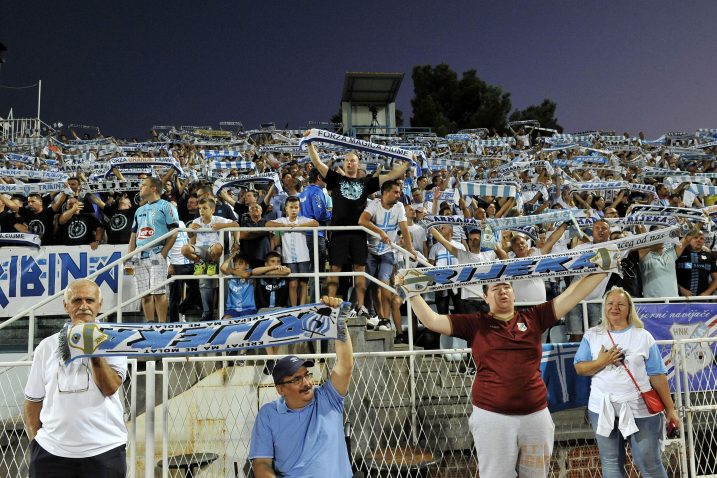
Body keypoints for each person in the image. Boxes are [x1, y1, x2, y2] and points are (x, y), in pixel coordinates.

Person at [402, 270, 610, 477]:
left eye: (507, 287)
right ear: (485, 296)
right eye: (496, 288)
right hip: (493, 417)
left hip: (536, 416)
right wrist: (410, 289)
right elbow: (431, 320)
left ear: (514, 293)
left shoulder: (534, 317)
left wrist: (604, 269)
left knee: (537, 475)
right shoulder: (475, 323)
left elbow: (573, 295)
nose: (503, 291)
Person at [23, 279, 127, 478]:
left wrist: (92, 349)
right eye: (76, 300)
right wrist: (36, 443)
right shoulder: (47, 346)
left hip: (104, 450)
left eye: (89, 300)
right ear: (66, 305)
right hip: (50, 454)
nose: (83, 306)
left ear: (99, 304)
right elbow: (32, 401)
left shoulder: (114, 342)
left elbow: (110, 388)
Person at [574, 287, 680, 477]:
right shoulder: (592, 335)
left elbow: (657, 376)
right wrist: (602, 361)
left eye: (620, 304)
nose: (615, 308)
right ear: (604, 307)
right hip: (601, 407)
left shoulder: (643, 336)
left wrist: (670, 409)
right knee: (611, 463)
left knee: (648, 462)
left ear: (629, 308)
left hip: (639, 407)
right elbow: (580, 368)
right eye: (610, 304)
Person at [306, 133, 409, 318]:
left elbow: (391, 175)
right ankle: (330, 304)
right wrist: (310, 144)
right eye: (346, 161)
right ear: (343, 164)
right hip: (338, 232)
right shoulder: (336, 179)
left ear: (358, 164)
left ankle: (360, 307)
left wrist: (407, 164)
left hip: (359, 232)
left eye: (353, 161)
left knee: (359, 270)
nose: (349, 163)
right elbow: (318, 165)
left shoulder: (366, 183)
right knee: (335, 269)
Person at [249, 296, 352, 478]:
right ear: (281, 389)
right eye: (296, 379)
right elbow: (261, 463)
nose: (307, 383)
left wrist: (339, 322)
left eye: (307, 375)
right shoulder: (268, 414)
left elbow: (345, 366)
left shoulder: (328, 397)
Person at [358, 180, 417, 339]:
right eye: (396, 192)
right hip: (371, 250)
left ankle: (385, 319)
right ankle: (367, 312)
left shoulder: (399, 207)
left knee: (384, 283)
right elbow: (362, 220)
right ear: (385, 193)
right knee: (370, 285)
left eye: (399, 192)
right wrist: (380, 232)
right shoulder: (374, 203)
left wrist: (410, 249)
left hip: (388, 251)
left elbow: (404, 228)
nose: (399, 195)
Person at [129, 176, 179, 323]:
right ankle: (150, 324)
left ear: (153, 188)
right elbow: (134, 233)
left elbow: (174, 231)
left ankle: (162, 325)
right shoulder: (139, 210)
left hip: (157, 253)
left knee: (159, 292)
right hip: (139, 255)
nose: (140, 187)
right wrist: (130, 255)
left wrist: (163, 253)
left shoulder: (167, 206)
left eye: (143, 185)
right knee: (145, 294)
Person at [266, 196, 319, 306]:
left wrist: (299, 225)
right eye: (291, 207)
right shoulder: (282, 220)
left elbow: (315, 223)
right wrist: (284, 226)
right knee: (293, 284)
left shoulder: (302, 220)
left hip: (303, 257)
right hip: (288, 258)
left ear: (299, 208)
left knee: (304, 284)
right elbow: (268, 224)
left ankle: (303, 307)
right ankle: (294, 309)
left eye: (296, 207)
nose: (294, 210)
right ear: (286, 208)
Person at [675, 228, 717, 297]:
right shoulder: (678, 255)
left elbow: (716, 279)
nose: (698, 240)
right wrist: (681, 289)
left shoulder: (710, 256)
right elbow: (670, 277)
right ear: (689, 239)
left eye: (701, 238)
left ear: (704, 242)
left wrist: (706, 293)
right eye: (695, 237)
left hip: (702, 301)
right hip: (680, 299)